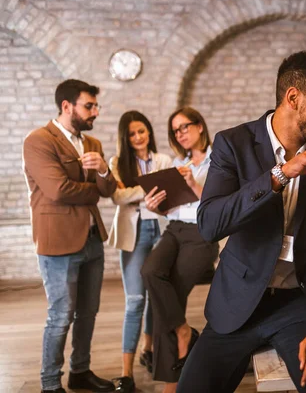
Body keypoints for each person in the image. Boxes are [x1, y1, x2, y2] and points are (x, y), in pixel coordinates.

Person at [176, 50, 306, 393]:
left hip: (303, 304)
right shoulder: (233, 144)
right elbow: (210, 224)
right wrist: (281, 174)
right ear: (294, 97)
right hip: (237, 300)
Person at [22, 79, 117, 393]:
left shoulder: (93, 145)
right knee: (61, 315)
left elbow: (110, 188)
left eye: (95, 106)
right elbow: (57, 189)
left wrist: (103, 170)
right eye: (89, 105)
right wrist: (94, 191)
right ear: (67, 106)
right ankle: (50, 383)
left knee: (88, 312)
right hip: (58, 241)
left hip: (92, 239)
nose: (95, 112)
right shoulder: (38, 140)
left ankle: (80, 372)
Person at [140, 106, 219, 393]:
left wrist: (193, 183)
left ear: (200, 126)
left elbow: (219, 207)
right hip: (174, 230)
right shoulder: (176, 162)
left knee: (169, 294)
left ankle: (171, 385)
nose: (180, 134)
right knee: (149, 270)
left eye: (185, 126)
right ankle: (184, 331)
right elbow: (173, 208)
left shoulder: (219, 161)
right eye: (175, 130)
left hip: (202, 234)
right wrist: (156, 206)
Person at [107, 111, 172, 393]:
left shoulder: (163, 161)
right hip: (134, 235)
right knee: (135, 300)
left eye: (142, 132)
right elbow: (117, 197)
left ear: (149, 132)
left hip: (161, 232)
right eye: (132, 134)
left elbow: (170, 196)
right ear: (126, 136)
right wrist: (146, 191)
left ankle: (149, 348)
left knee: (155, 295)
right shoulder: (116, 163)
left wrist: (136, 190)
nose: (138, 138)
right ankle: (125, 373)